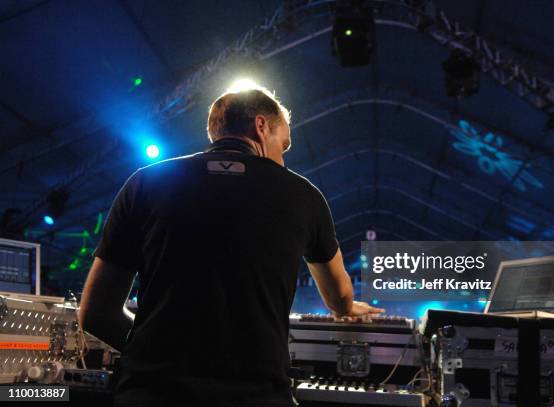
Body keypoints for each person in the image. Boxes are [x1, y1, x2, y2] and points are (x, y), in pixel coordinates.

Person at [79, 84, 384, 407]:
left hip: (151, 393)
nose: (282, 157)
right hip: (257, 396)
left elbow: (96, 314)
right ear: (261, 126)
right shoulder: (303, 196)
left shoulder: (144, 183)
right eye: (284, 145)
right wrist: (347, 309)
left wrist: (152, 356)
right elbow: (339, 295)